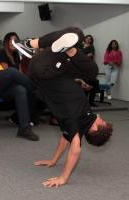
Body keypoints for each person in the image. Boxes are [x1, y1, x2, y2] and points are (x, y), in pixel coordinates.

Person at [12, 27, 113, 187]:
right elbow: (65, 139)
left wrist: (63, 177)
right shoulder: (79, 124)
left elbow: (75, 149)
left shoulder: (76, 122)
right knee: (92, 73)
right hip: (53, 71)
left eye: (103, 123)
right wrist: (54, 160)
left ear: (95, 128)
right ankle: (68, 50)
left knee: (77, 34)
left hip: (45, 70)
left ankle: (29, 44)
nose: (102, 119)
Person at [79, 34, 99, 106]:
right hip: (80, 67)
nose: (88, 39)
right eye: (87, 38)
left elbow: (90, 55)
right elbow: (77, 55)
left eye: (90, 39)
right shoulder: (80, 46)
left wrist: (82, 55)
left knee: (94, 83)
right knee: (84, 82)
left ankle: (91, 101)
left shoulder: (91, 47)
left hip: (88, 67)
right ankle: (84, 101)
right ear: (85, 39)